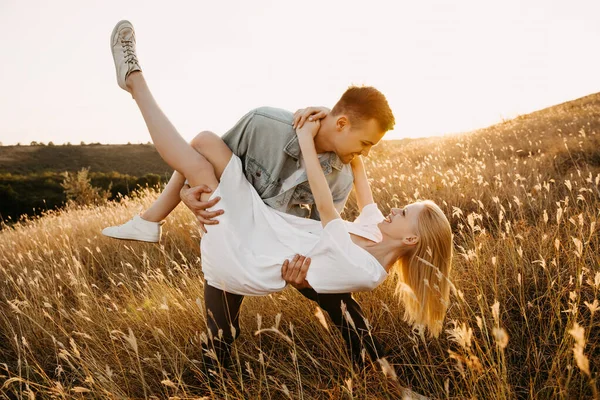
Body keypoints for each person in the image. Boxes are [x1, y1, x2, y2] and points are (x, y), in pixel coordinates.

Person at [107, 20, 453, 372]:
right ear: (342, 124)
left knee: (340, 308)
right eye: (364, 143)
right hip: (254, 221)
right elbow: (207, 165)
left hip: (267, 246)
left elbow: (322, 221)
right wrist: (187, 194)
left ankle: (135, 83)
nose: (364, 154)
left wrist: (312, 135)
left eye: (369, 147)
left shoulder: (342, 182)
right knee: (204, 144)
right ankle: (151, 219)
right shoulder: (265, 125)